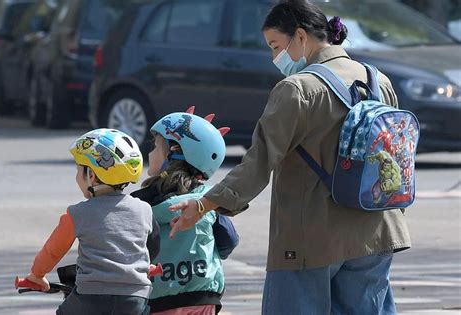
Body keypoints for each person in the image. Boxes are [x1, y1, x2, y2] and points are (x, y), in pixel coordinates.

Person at [167, 1, 411, 314]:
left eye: (275, 46)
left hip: (311, 237)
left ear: (300, 36)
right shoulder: (379, 81)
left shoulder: (297, 89)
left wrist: (203, 205)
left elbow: (259, 162)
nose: (274, 58)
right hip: (378, 231)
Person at [22, 128, 160, 315]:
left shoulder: (78, 213)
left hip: (90, 298)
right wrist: (144, 266)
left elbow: (52, 251)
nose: (77, 176)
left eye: (79, 170)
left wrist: (37, 275)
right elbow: (153, 246)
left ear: (92, 176)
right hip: (135, 298)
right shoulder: (144, 209)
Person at [131, 107, 239, 315]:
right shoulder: (208, 200)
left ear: (172, 151)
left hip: (158, 299)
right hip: (203, 297)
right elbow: (229, 241)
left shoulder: (140, 202)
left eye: (155, 147)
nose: (150, 152)